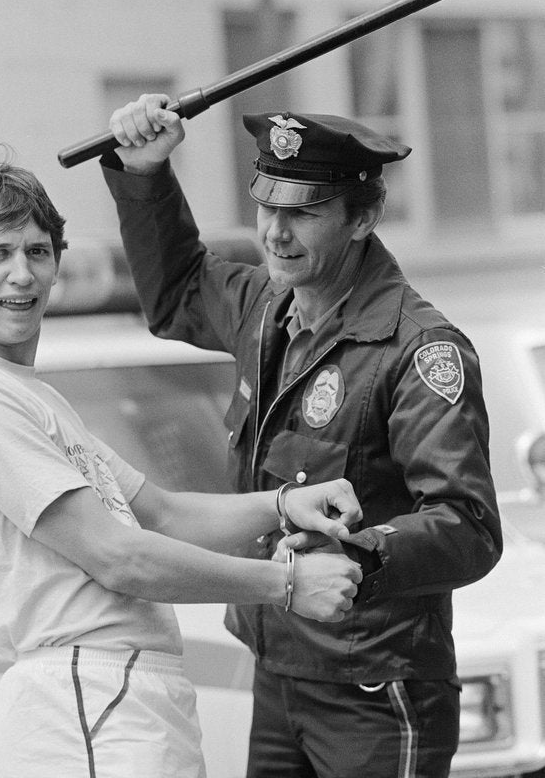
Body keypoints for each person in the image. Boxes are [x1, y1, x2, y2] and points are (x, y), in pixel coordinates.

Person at [0, 160, 364, 778]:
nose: (23, 273)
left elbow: (163, 514)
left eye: (39, 250)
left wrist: (281, 505)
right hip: (84, 694)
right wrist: (286, 585)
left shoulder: (25, 394)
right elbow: (121, 557)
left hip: (109, 692)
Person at [100, 97, 504, 778]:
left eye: (304, 214)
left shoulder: (419, 349)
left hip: (375, 685)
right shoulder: (266, 306)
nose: (276, 235)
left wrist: (361, 554)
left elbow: (468, 526)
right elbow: (173, 294)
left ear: (364, 218)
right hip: (279, 665)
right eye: (267, 208)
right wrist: (145, 172)